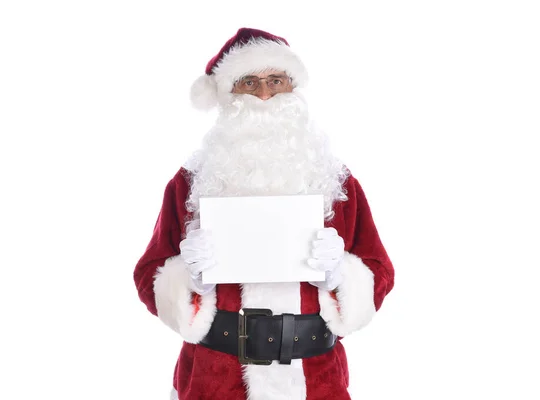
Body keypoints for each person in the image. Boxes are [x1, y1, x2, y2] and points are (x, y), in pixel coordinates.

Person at [133, 27, 395, 400]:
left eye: (276, 80)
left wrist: (340, 277)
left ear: (293, 88)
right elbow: (148, 273)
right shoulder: (190, 183)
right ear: (228, 95)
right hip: (215, 378)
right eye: (248, 82)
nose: (265, 94)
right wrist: (191, 281)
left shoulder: (335, 182)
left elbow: (378, 268)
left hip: (314, 379)